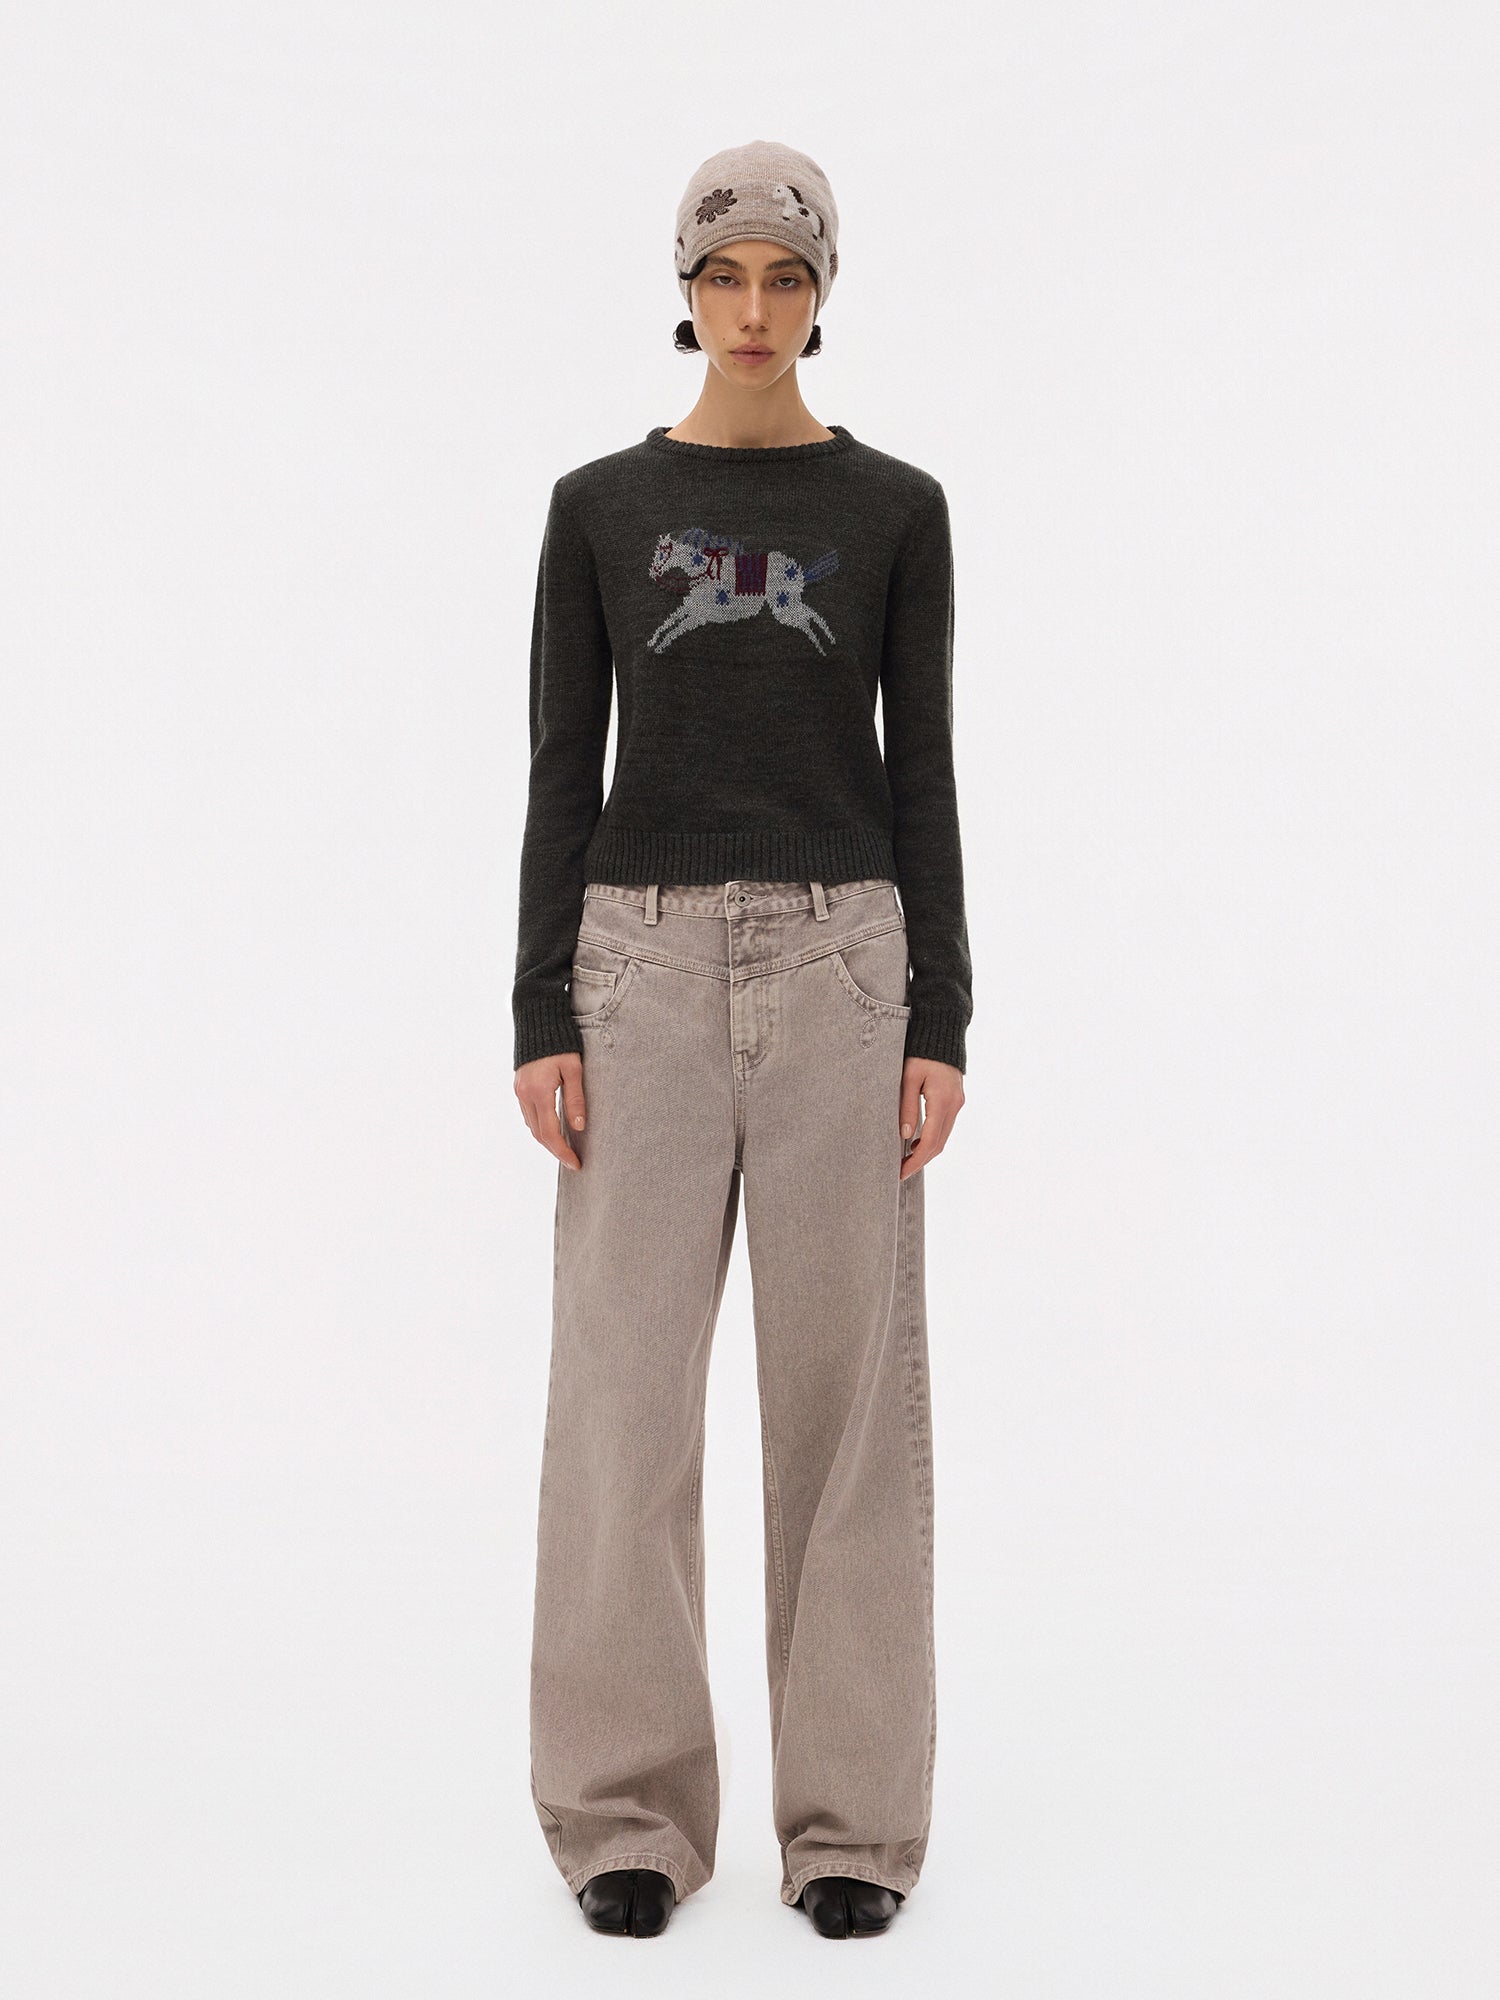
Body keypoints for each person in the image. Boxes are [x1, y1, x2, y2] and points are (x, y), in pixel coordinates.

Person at [511, 139, 972, 1939]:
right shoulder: (598, 508)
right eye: (726, 276)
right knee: (623, 1402)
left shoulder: (899, 511)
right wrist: (539, 1005)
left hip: (850, 965)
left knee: (847, 1411)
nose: (756, 310)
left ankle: (852, 1826)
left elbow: (923, 773)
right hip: (634, 967)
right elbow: (563, 772)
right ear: (686, 289)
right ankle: (625, 1812)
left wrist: (943, 1012)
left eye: (788, 276)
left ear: (825, 292)